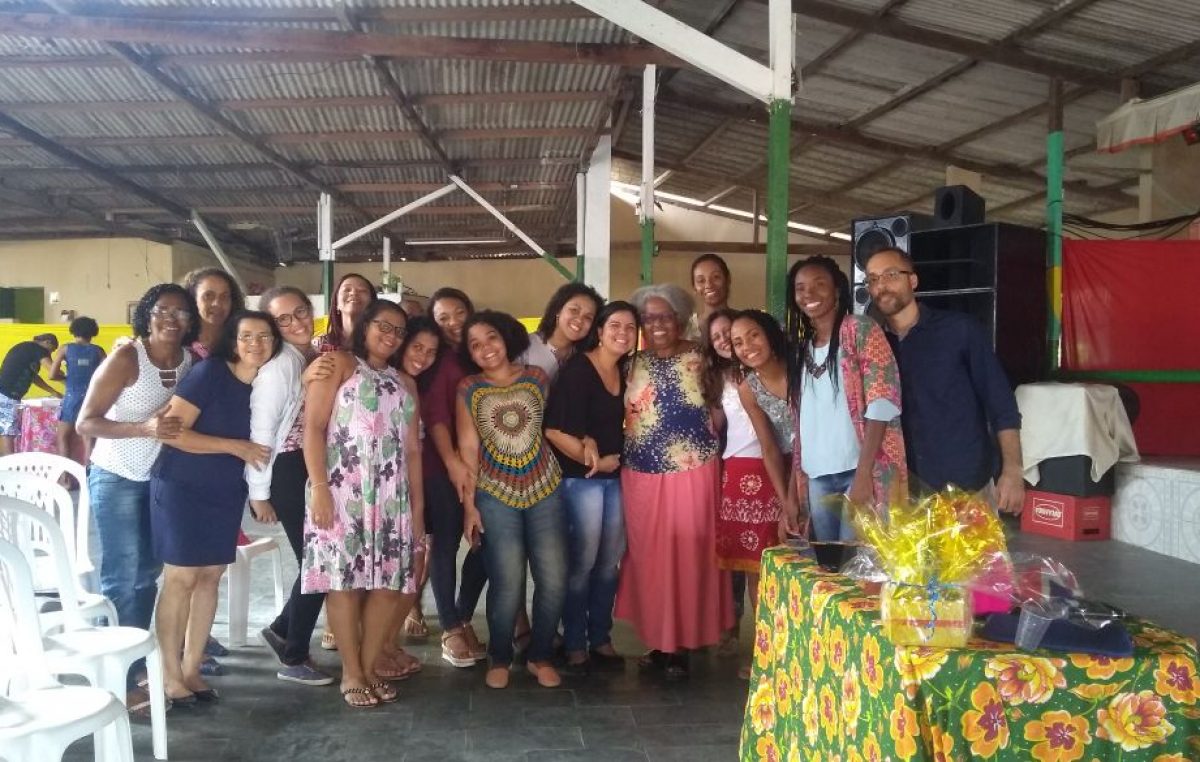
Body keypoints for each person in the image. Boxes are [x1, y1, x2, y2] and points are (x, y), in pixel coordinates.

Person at [77, 284, 196, 711]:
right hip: (117, 476)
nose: (171, 318)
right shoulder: (127, 357)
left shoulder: (189, 363)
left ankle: (131, 666)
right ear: (147, 315)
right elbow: (85, 423)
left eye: (181, 313)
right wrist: (142, 428)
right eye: (162, 310)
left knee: (147, 576)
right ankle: (114, 679)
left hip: (159, 481)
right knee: (122, 578)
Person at [301, 300, 426, 708]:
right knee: (345, 582)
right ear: (365, 325)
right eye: (383, 326)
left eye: (398, 331)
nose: (390, 336)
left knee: (388, 586)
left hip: (392, 496)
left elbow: (412, 452)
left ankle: (370, 667)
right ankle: (351, 673)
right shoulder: (337, 363)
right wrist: (320, 487)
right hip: (342, 489)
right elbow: (314, 430)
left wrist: (417, 513)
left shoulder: (405, 382)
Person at [151, 311, 278, 704]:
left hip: (224, 492)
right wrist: (233, 445)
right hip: (182, 486)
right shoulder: (210, 374)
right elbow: (172, 433)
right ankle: (169, 674)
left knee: (210, 577)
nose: (256, 343)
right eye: (246, 336)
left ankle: (192, 669)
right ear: (232, 341)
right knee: (181, 579)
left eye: (264, 336)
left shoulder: (266, 384)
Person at [618, 284, 733, 680]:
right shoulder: (628, 362)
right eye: (648, 317)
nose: (657, 324)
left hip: (693, 469)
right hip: (641, 471)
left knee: (688, 557)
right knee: (649, 560)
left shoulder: (702, 357)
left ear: (681, 318)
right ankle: (657, 640)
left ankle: (682, 644)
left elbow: (724, 405)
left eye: (664, 316)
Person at [864, 246, 1024, 512]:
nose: (882, 285)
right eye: (873, 279)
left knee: (976, 556)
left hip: (967, 488)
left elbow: (1002, 405)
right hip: (905, 495)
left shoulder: (960, 330)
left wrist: (1013, 471)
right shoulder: (874, 348)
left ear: (912, 280)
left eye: (891, 275)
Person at [457, 311, 566, 690]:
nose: (486, 348)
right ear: (469, 354)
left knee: (553, 578)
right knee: (508, 580)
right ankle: (500, 655)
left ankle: (540, 655)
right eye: (475, 344)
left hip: (544, 487)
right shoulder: (469, 388)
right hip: (494, 493)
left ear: (506, 338)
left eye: (491, 338)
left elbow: (548, 428)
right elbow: (468, 449)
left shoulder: (536, 378)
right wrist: (469, 505)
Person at [783, 256, 906, 542]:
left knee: (858, 569)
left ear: (837, 290)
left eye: (818, 284)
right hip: (817, 479)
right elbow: (800, 428)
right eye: (800, 288)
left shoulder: (860, 329)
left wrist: (864, 475)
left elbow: (882, 401)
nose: (808, 294)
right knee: (831, 569)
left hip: (857, 473)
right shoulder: (802, 349)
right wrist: (792, 492)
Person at [544, 301, 638, 674]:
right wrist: (592, 461)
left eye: (631, 328)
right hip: (581, 480)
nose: (622, 333)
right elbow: (552, 429)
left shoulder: (626, 371)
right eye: (615, 325)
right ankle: (575, 640)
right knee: (581, 563)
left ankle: (601, 636)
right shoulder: (578, 371)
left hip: (615, 478)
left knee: (608, 564)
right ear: (599, 330)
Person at [248, 287, 334, 686]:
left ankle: (284, 628)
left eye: (301, 312)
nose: (297, 322)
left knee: (317, 561)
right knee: (319, 564)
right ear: (273, 325)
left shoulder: (308, 353)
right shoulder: (280, 366)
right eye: (284, 319)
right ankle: (294, 656)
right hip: (283, 468)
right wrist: (259, 493)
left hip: (302, 465)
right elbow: (262, 433)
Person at [723, 310, 794, 679]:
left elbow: (809, 437)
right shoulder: (749, 387)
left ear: (770, 334)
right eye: (738, 342)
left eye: (753, 336)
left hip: (824, 467)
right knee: (765, 570)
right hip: (784, 470)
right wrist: (787, 503)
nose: (747, 346)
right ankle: (770, 653)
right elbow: (768, 447)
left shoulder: (801, 369)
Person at [424, 287, 488, 667]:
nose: (452, 323)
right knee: (446, 543)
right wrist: (451, 463)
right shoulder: (444, 362)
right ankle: (450, 626)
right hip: (441, 465)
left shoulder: (477, 354)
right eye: (442, 317)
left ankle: (462, 616)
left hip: (482, 465)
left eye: (459, 313)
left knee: (484, 542)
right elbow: (435, 419)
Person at [698, 308, 747, 657]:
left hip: (772, 466)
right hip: (732, 466)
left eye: (728, 332)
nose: (724, 340)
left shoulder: (763, 368)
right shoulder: (719, 379)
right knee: (733, 550)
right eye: (716, 337)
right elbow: (713, 428)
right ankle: (728, 624)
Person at [395, 316, 441, 641]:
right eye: (417, 347)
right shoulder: (380, 376)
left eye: (431, 351)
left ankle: (412, 606)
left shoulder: (422, 382)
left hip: (416, 474)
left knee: (419, 547)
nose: (423, 357)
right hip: (376, 482)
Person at [521, 282, 602, 384]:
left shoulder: (585, 358)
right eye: (574, 310)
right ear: (558, 310)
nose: (580, 320)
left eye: (588, 317)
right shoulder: (525, 347)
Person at [50, 317, 106, 464]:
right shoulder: (98, 351)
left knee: (63, 436)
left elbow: (52, 375)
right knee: (89, 440)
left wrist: (66, 378)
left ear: (73, 331)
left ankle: (65, 478)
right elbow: (107, 376)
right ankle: (88, 479)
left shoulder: (66, 349)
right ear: (93, 332)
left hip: (71, 396)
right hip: (92, 397)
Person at [0, 332, 60, 456]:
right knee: (7, 431)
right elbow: (52, 369)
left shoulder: (27, 350)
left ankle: (6, 462)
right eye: (52, 350)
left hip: (6, 393)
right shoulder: (37, 349)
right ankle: (10, 467)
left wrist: (53, 391)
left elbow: (34, 378)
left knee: (5, 430)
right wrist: (66, 376)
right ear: (47, 342)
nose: (51, 354)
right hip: (7, 394)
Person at [183, 267, 245, 359]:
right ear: (193, 299)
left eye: (224, 297)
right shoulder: (180, 342)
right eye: (208, 296)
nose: (217, 303)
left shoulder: (242, 344)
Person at [315, 273, 377, 354]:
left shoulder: (380, 344)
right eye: (347, 290)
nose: (353, 293)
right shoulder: (319, 346)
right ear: (336, 303)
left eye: (362, 290)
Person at [686, 253, 732, 340]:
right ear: (694, 287)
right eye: (701, 280)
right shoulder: (686, 329)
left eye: (716, 277)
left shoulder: (743, 322)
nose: (709, 285)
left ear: (728, 279)